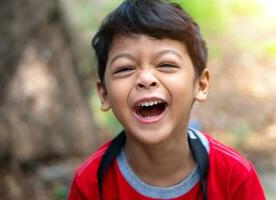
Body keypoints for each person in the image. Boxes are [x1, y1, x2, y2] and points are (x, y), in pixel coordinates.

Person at [68, 0, 266, 199]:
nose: (146, 79)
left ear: (201, 85)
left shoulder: (234, 177)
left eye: (166, 64)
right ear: (104, 94)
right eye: (125, 68)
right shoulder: (91, 183)